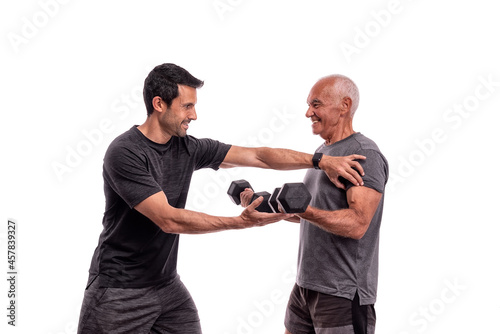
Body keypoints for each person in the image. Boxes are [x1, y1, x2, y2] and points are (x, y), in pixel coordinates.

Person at [76, 63, 367, 334]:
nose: (194, 115)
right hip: (118, 291)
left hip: (165, 285)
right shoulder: (125, 153)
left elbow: (257, 155)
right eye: (187, 106)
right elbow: (167, 218)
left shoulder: (187, 147)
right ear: (159, 104)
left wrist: (319, 161)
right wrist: (240, 223)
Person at [241, 74, 389, 334]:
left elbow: (357, 224)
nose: (308, 112)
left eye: (316, 104)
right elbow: (315, 212)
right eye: (309, 105)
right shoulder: (323, 154)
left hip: (341, 293)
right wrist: (266, 207)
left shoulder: (365, 154)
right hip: (304, 287)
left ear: (344, 105)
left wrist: (305, 210)